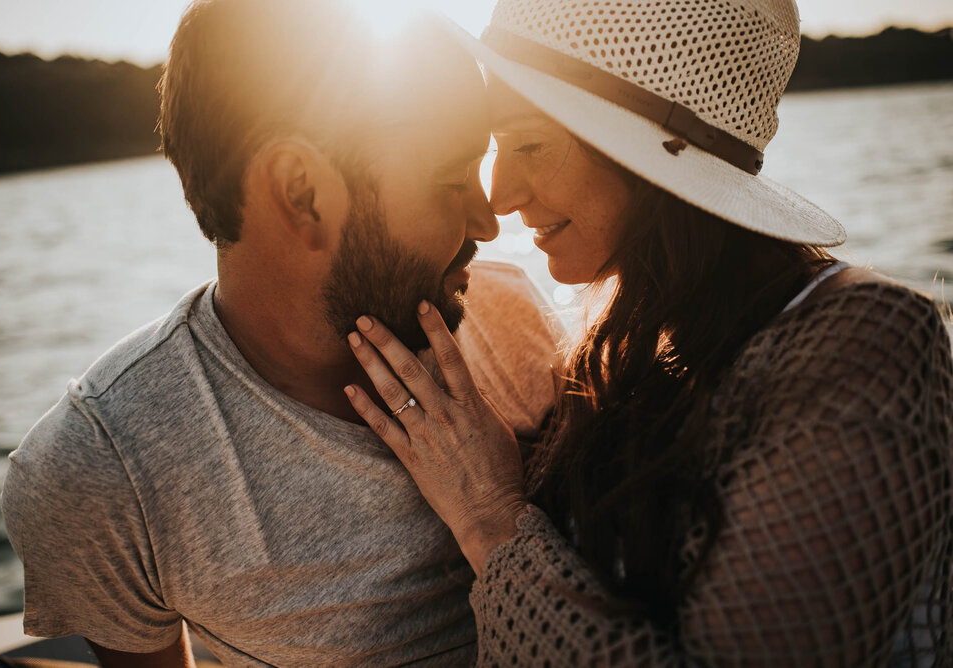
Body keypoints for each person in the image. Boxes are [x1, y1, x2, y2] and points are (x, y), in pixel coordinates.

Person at [343, 0, 953, 664]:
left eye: (531, 144)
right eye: (497, 147)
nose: (499, 195)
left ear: (646, 159)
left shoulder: (871, 343)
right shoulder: (631, 342)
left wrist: (489, 517)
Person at [0, 1, 563, 666]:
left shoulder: (508, 314)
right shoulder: (101, 472)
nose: (488, 221)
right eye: (450, 179)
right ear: (302, 193)